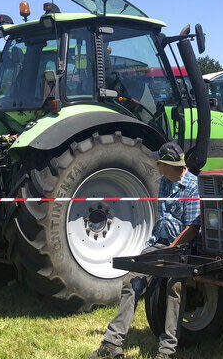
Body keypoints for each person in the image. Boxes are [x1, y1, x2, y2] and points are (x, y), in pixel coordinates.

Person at [86, 142, 200, 359]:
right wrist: (157, 248)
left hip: (183, 247)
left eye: (159, 162)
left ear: (168, 164)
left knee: (173, 287)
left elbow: (192, 228)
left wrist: (172, 249)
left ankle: (167, 350)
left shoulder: (194, 187)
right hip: (160, 244)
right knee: (132, 280)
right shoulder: (164, 182)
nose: (156, 165)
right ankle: (112, 343)